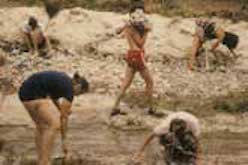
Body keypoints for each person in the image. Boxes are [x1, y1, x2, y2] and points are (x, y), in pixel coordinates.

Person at [18, 71, 89, 165]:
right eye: (80, 93)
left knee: (41, 126)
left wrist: (60, 109)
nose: (77, 96)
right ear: (78, 86)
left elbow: (53, 97)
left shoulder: (64, 81)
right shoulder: (69, 89)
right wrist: (64, 140)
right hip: (33, 94)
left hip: (24, 92)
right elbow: (64, 118)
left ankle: (41, 160)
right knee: (53, 124)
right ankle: (45, 161)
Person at [111, 3, 154, 116]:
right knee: (149, 82)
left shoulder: (128, 26)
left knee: (125, 84)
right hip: (137, 56)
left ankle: (114, 107)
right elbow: (140, 43)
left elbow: (117, 31)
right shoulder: (133, 27)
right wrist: (146, 32)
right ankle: (150, 108)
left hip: (131, 55)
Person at [134, 112, 200, 165]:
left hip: (189, 124)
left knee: (188, 148)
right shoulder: (165, 127)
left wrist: (197, 160)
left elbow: (196, 142)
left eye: (179, 132)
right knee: (167, 140)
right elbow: (151, 136)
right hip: (171, 130)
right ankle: (169, 156)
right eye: (175, 132)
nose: (177, 134)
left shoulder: (193, 125)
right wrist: (140, 152)